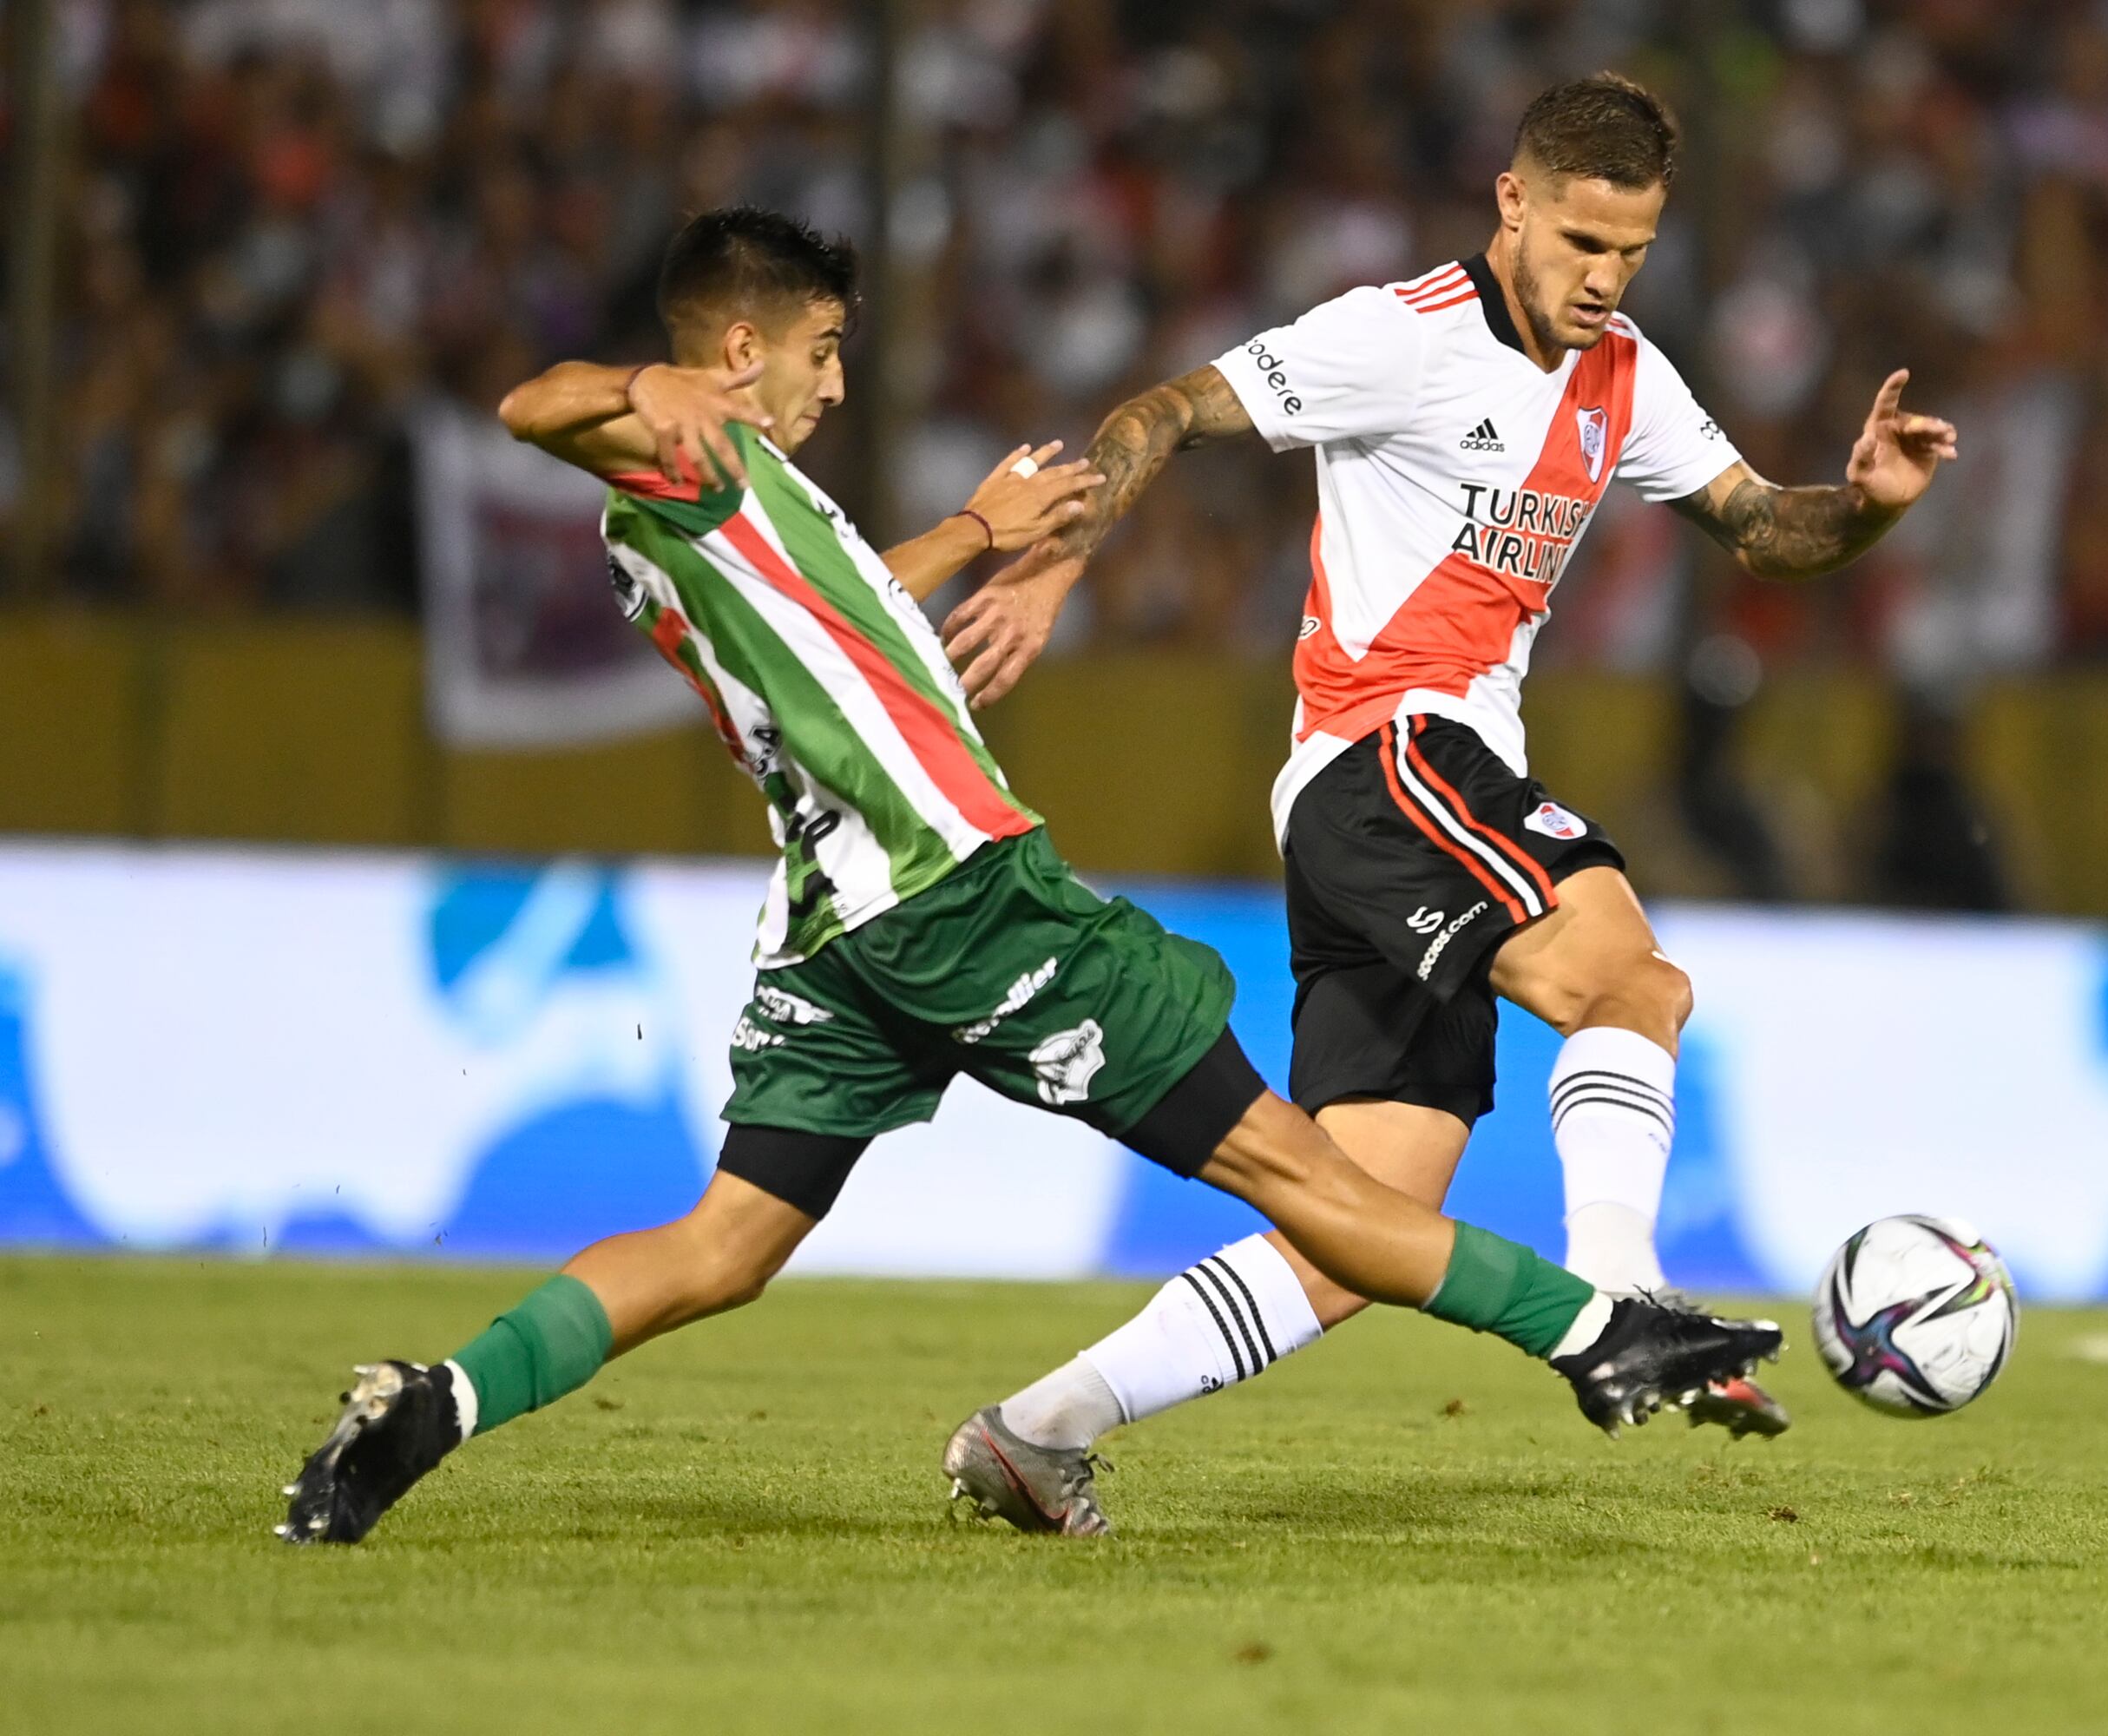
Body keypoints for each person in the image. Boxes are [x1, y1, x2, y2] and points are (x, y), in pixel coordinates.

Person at [277, 207, 1784, 1547]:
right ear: (741, 349)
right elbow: (534, 404)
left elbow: (838, 608)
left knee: (722, 1247)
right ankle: (1602, 1330)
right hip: (966, 896)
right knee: (1310, 1178)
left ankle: (438, 1403)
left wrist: (978, 532)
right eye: (821, 351)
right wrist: (638, 389)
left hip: (835, 930)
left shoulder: (721, 516)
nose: (838, 384)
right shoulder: (690, 446)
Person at [940, 75, 1954, 1480]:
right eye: (1581, 243)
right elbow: (1169, 407)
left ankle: (1037, 1432)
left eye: (1633, 251)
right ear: (1513, 202)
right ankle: (1626, 1294)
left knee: (1361, 1223)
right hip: (1392, 751)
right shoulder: (1397, 337)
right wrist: (1055, 568)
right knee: (1632, 983)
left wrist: (1864, 507)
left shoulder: (1627, 375)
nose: (1603, 279)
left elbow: (1760, 528)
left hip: (1379, 801)